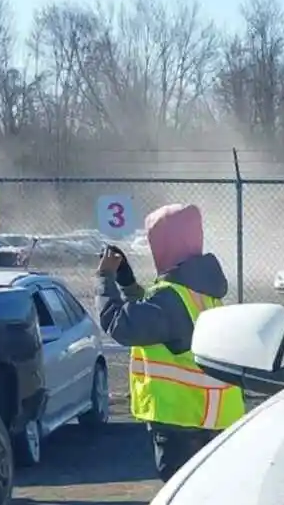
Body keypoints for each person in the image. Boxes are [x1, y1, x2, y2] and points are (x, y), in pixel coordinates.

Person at [96, 204, 243, 481]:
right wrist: (127, 284)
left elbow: (121, 325)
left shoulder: (170, 298)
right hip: (212, 419)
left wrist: (104, 279)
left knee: (184, 503)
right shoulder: (200, 290)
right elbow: (153, 318)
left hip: (182, 423)